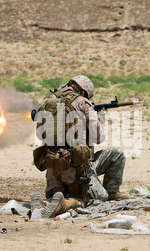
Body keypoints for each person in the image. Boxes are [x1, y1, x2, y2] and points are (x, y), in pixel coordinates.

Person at [32, 75, 128, 218]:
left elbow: (40, 135)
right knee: (98, 197)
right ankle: (66, 203)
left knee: (54, 196)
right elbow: (99, 137)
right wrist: (100, 118)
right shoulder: (83, 103)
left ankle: (44, 203)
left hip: (53, 167)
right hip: (77, 168)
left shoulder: (47, 103)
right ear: (83, 92)